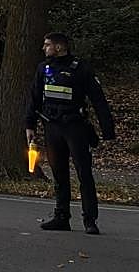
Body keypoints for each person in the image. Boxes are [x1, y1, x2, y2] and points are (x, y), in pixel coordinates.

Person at [25, 32, 116, 235]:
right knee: (59, 174)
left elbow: (98, 100)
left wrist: (108, 131)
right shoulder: (44, 68)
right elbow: (34, 97)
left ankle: (90, 220)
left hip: (75, 128)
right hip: (52, 127)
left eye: (47, 45)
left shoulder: (81, 68)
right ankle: (61, 217)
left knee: (84, 173)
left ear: (59, 47)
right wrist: (29, 125)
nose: (44, 48)